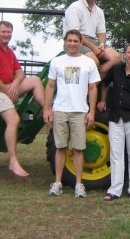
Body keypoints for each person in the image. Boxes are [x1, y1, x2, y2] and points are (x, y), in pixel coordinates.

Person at [0, 21, 45, 178]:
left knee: (35, 80)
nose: (6, 34)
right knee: (14, 119)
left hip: (7, 87)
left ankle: (48, 110)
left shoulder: (8, 51)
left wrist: (14, 84)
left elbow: (20, 73)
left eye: (9, 32)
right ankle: (13, 162)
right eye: (3, 31)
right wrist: (9, 92)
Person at [44, 29, 101, 198]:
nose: (72, 44)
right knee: (60, 147)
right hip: (61, 109)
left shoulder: (88, 63)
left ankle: (79, 184)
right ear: (65, 41)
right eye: (69, 40)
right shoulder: (56, 62)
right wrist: (47, 108)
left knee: (78, 149)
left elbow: (92, 88)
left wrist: (91, 111)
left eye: (76, 41)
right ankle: (58, 183)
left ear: (81, 42)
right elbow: (50, 86)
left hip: (79, 111)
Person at [97, 43, 130, 201]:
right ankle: (115, 190)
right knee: (116, 155)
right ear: (125, 55)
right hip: (115, 117)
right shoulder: (115, 70)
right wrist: (102, 100)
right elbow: (105, 84)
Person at [63, 0, 122, 79]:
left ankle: (97, 81)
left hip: (92, 42)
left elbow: (101, 33)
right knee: (93, 61)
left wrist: (101, 45)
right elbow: (74, 35)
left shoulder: (99, 11)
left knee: (116, 58)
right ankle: (85, 89)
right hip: (75, 42)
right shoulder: (75, 7)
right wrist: (94, 48)